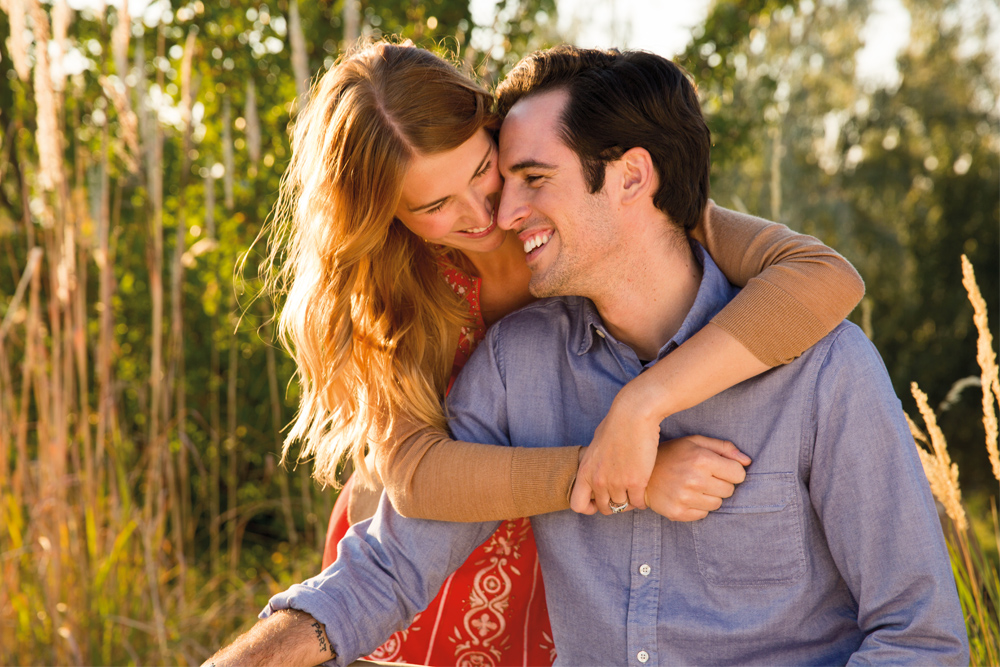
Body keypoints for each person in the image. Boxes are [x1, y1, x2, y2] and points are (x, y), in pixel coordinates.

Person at [209, 45, 967, 666]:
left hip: (542, 581)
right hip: (460, 525)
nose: (494, 215)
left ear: (634, 177)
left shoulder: (815, 362)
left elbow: (918, 636)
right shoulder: (460, 329)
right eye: (437, 206)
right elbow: (400, 525)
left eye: (508, 176)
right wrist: (610, 472)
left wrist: (641, 406)